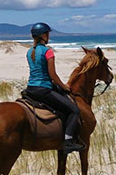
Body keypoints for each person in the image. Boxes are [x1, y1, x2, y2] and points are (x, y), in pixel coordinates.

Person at [25, 22, 84, 154]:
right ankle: (68, 141)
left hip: (31, 89)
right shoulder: (48, 51)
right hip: (43, 90)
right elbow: (52, 75)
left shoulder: (30, 52)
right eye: (47, 34)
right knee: (74, 110)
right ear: (43, 35)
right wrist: (64, 86)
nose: (49, 36)